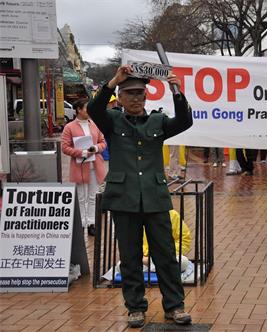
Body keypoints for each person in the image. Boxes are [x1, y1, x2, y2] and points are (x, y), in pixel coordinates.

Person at [87, 65, 193, 328]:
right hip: (124, 198)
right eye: (130, 94)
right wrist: (113, 81)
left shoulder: (158, 121)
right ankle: (135, 307)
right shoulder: (112, 121)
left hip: (155, 199)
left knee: (166, 255)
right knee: (130, 256)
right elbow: (93, 109)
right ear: (120, 98)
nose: (136, 98)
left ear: (146, 97)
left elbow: (184, 121)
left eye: (140, 94)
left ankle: (175, 306)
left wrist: (177, 92)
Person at [61, 99, 106, 236]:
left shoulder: (94, 124)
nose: (89, 111)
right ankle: (81, 223)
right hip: (79, 165)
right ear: (78, 110)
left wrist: (96, 148)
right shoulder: (69, 127)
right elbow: (64, 147)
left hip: (94, 164)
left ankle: (92, 223)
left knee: (93, 196)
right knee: (81, 197)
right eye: (86, 108)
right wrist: (80, 152)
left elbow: (102, 142)